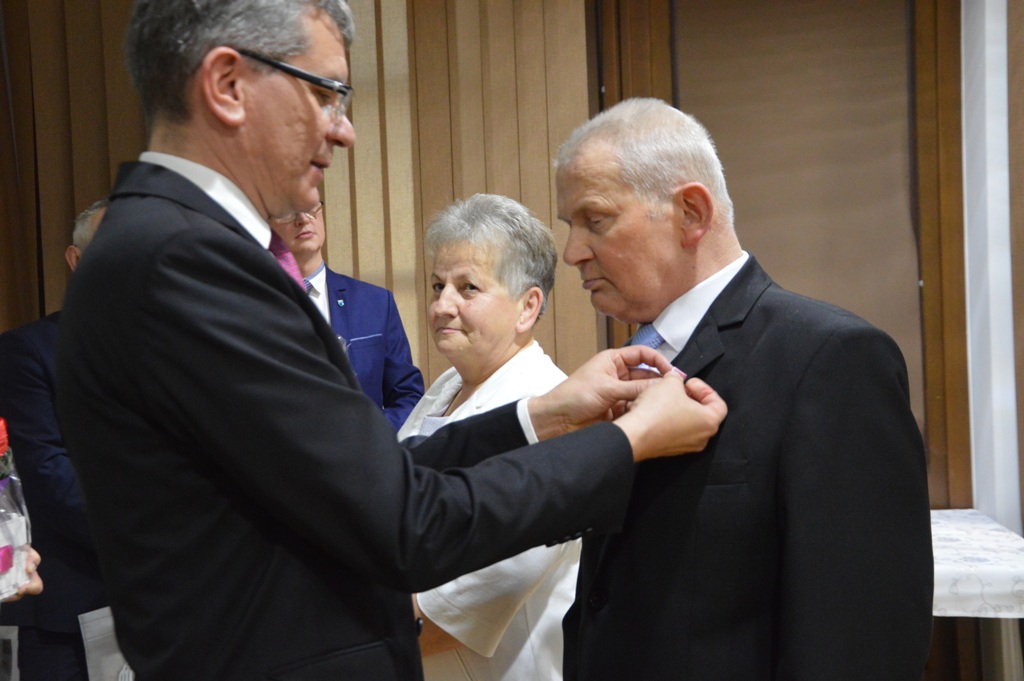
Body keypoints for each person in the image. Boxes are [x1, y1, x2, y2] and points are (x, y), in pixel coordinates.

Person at [53, 4, 727, 681]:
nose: (343, 129)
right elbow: (407, 519)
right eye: (325, 94)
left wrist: (543, 415)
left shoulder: (165, 246)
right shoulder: (187, 262)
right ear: (228, 85)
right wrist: (627, 441)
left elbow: (362, 479)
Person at [553, 97, 934, 680]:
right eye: (570, 227)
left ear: (690, 213)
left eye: (595, 220)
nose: (572, 252)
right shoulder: (629, 365)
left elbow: (861, 635)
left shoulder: (830, 359)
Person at [398, 194, 574, 681]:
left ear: (527, 307)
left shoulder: (550, 411)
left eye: (467, 288)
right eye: (438, 286)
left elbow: (451, 615)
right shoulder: (446, 386)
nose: (442, 306)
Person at [0, 199, 108, 681]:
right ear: (76, 260)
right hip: (69, 607)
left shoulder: (179, 350)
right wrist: (148, 537)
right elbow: (46, 472)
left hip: (176, 601)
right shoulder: (28, 350)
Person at [275, 194, 423, 429]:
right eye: (289, 211)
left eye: (310, 208)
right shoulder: (254, 307)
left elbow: (408, 396)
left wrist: (370, 436)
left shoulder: (375, 302)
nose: (303, 219)